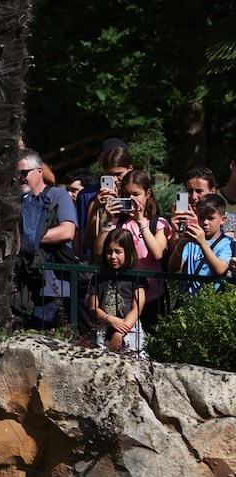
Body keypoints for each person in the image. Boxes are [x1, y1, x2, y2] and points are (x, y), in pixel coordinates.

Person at [92, 170, 170, 331]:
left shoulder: (158, 223)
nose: (131, 199)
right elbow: (99, 251)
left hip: (152, 296)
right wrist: (107, 219)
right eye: (126, 194)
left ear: (147, 193)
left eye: (136, 194)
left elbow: (157, 253)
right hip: (123, 296)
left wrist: (141, 222)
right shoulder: (117, 222)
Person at [17, 148, 78, 330]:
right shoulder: (15, 201)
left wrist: (26, 239)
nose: (19, 177)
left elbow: (67, 231)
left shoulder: (58, 196)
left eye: (24, 173)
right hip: (22, 289)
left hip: (53, 289)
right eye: (16, 174)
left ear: (39, 171)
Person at [88, 229, 148, 359]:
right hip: (104, 328)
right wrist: (109, 319)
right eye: (109, 252)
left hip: (130, 328)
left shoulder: (136, 277)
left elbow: (137, 308)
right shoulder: (99, 277)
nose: (113, 256)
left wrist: (120, 332)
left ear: (128, 252)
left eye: (118, 252)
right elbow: (93, 308)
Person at [168, 194, 233, 294]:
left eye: (211, 218)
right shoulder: (191, 240)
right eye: (202, 218)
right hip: (188, 303)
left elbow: (219, 270)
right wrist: (181, 242)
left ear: (223, 220)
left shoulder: (227, 243)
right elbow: (173, 268)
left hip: (210, 303)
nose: (205, 222)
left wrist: (202, 243)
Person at [76, 138, 131, 254]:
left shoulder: (137, 196)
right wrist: (96, 209)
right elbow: (87, 242)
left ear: (130, 169)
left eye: (119, 174)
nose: (115, 180)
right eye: (110, 175)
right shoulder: (94, 200)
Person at [169, 167, 236, 255]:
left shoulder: (227, 219)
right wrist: (175, 232)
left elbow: (224, 254)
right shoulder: (182, 218)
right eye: (189, 191)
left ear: (212, 191)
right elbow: (173, 259)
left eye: (199, 191)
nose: (193, 197)